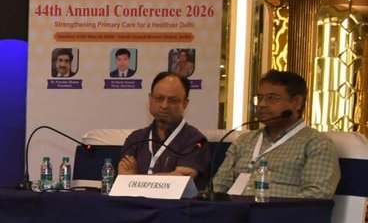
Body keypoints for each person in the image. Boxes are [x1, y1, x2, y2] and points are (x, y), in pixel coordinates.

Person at [212, 70, 340, 199]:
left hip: (279, 211)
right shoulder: (244, 140)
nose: (262, 104)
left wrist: (272, 209)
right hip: (232, 210)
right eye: (260, 98)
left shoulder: (316, 143)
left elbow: (316, 195)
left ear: (297, 102)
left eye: (272, 98)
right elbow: (219, 185)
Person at [117, 71, 211, 192]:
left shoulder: (196, 141)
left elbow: (180, 180)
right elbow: (124, 177)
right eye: (159, 98)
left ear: (185, 104)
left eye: (173, 100)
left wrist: (135, 178)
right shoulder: (135, 138)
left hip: (175, 204)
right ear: (150, 99)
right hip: (135, 203)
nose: (165, 105)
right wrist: (132, 179)